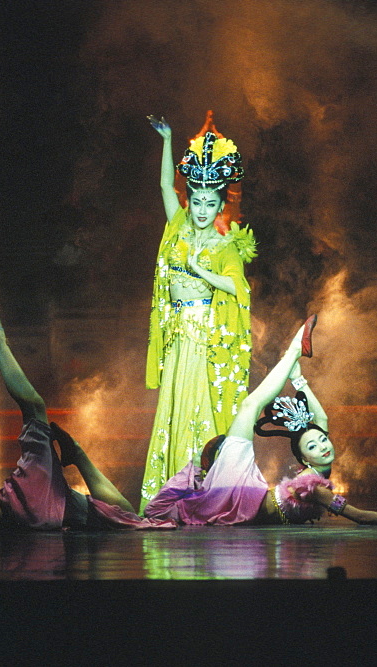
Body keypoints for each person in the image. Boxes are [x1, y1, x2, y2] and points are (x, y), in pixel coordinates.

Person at [0, 307, 175, 533]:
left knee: (125, 517)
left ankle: (77, 454)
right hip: (27, 506)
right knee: (35, 409)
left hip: (29, 505)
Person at [144, 318, 377, 526]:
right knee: (250, 404)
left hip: (239, 501)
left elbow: (320, 419)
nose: (323, 445)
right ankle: (294, 350)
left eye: (323, 440)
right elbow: (360, 516)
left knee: (154, 512)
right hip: (241, 493)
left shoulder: (317, 473)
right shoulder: (313, 484)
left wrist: (300, 380)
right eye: (314, 445)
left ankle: (294, 354)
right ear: (303, 458)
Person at [141, 114, 256, 510]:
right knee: (174, 407)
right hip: (177, 334)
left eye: (212, 203)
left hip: (205, 336)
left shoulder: (226, 246)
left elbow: (240, 288)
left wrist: (203, 270)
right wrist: (168, 140)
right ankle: (173, 492)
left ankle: (206, 493)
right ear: (188, 201)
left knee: (200, 407)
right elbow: (162, 185)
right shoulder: (177, 225)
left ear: (222, 205)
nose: (203, 210)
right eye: (197, 202)